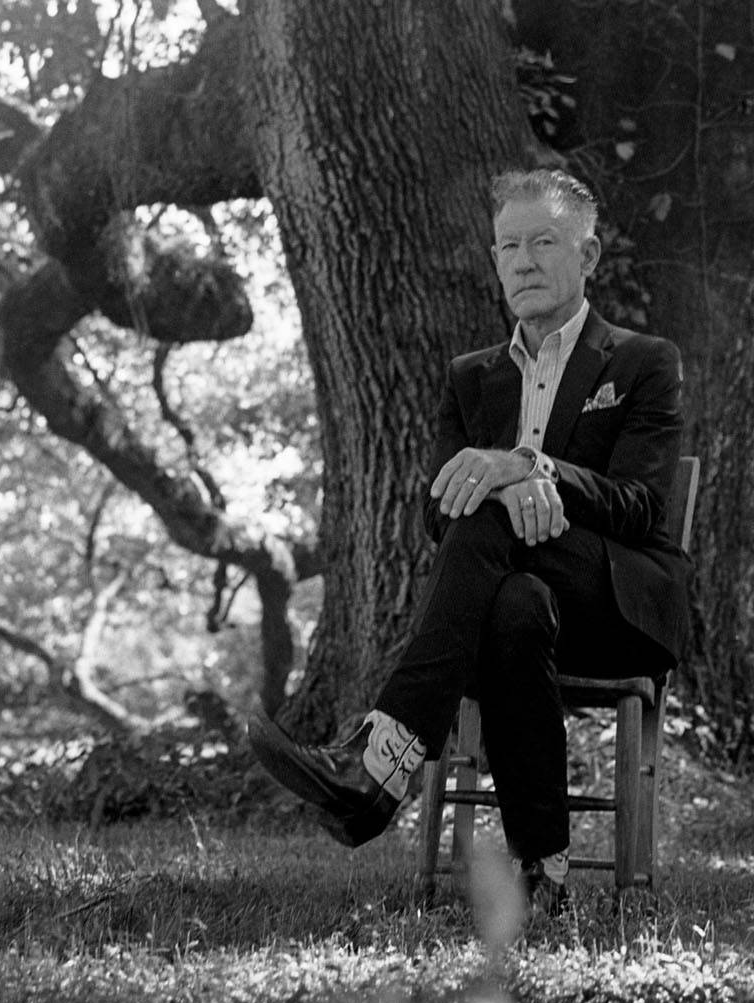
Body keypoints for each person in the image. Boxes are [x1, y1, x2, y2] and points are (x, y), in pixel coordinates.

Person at [250, 168, 690, 913]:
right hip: (510, 603)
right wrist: (508, 490)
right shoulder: (470, 379)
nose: (522, 261)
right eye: (507, 246)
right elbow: (437, 514)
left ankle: (380, 759)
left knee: (488, 516)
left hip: (616, 602)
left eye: (543, 243)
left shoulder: (644, 362)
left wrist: (528, 467)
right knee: (515, 606)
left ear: (587, 256)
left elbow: (641, 506)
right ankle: (544, 872)